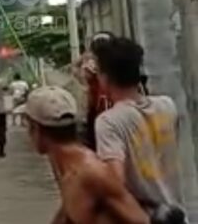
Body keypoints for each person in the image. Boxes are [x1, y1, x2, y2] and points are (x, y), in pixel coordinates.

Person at [92, 37, 186, 222]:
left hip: (145, 217)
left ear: (104, 78)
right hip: (176, 215)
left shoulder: (108, 122)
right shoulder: (167, 105)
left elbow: (114, 186)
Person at [25, 86, 150, 224]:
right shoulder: (65, 168)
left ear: (35, 129)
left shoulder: (91, 172)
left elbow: (141, 220)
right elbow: (68, 212)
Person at [72, 31, 115, 151]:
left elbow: (78, 71)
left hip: (99, 106)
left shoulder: (89, 64)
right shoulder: (116, 62)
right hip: (103, 104)